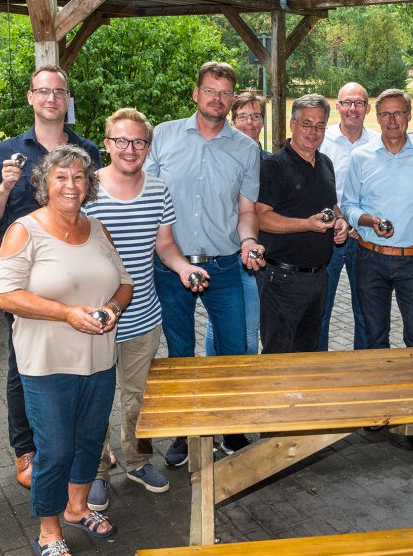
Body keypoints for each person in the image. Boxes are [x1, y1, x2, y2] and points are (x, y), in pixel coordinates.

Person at [0, 145, 133, 556]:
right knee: (54, 448)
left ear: (89, 185)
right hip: (47, 362)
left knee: (89, 441)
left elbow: (124, 283)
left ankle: (76, 508)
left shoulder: (98, 229)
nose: (71, 185)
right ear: (44, 184)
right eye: (61, 177)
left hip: (98, 359)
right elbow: (4, 294)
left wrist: (111, 308)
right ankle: (49, 531)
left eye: (78, 177)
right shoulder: (25, 229)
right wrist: (67, 313)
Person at [0, 64, 102, 489]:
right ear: (31, 97)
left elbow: (95, 208)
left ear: (68, 100)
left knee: (85, 356)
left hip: (74, 269)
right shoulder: (8, 152)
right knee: (24, 366)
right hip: (28, 275)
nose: (51, 98)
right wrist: (5, 187)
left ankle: (83, 445)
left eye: (59, 91)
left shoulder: (86, 150)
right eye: (43, 91)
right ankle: (26, 449)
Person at [82, 108, 209, 511]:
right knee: (96, 399)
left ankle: (136, 461)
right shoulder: (85, 189)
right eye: (121, 140)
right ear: (106, 144)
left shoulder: (158, 190)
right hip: (94, 319)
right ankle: (97, 471)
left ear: (148, 147)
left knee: (136, 399)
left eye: (138, 141)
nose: (129, 148)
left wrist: (184, 266)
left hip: (142, 317)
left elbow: (165, 245)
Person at [145, 61, 264, 462]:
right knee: (180, 353)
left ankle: (229, 430)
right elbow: (144, 195)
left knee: (233, 352)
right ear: (196, 94)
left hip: (226, 265)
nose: (217, 98)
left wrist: (249, 241)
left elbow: (247, 210)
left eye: (225, 92)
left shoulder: (247, 149)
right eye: (210, 90)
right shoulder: (162, 136)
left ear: (233, 99)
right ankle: (186, 434)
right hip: (171, 266)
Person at [341, 88, 413, 447]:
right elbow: (348, 204)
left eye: (398, 113)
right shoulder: (361, 157)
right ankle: (377, 408)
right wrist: (366, 218)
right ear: (377, 117)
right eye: (385, 114)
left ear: (409, 116)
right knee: (374, 338)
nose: (392, 121)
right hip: (369, 258)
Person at [257, 94, 349, 353]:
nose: (313, 131)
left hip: (319, 277)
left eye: (320, 126)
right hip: (282, 279)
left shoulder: (325, 163)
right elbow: (262, 217)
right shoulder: (274, 166)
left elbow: (330, 205)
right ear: (292, 125)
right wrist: (307, 224)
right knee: (278, 354)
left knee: (308, 353)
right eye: (307, 124)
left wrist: (339, 221)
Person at [203, 90, 268, 357]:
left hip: (257, 254)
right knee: (220, 325)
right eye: (243, 116)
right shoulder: (221, 156)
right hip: (227, 252)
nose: (250, 122)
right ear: (233, 118)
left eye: (256, 116)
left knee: (250, 326)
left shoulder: (270, 161)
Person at [317, 82, 378, 351]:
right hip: (327, 237)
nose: (353, 108)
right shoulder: (322, 140)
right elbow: (313, 187)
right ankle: (318, 371)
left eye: (359, 103)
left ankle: (363, 371)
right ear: (338, 106)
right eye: (347, 102)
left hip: (365, 239)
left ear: (367, 107)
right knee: (320, 310)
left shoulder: (378, 142)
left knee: (366, 311)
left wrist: (359, 224)